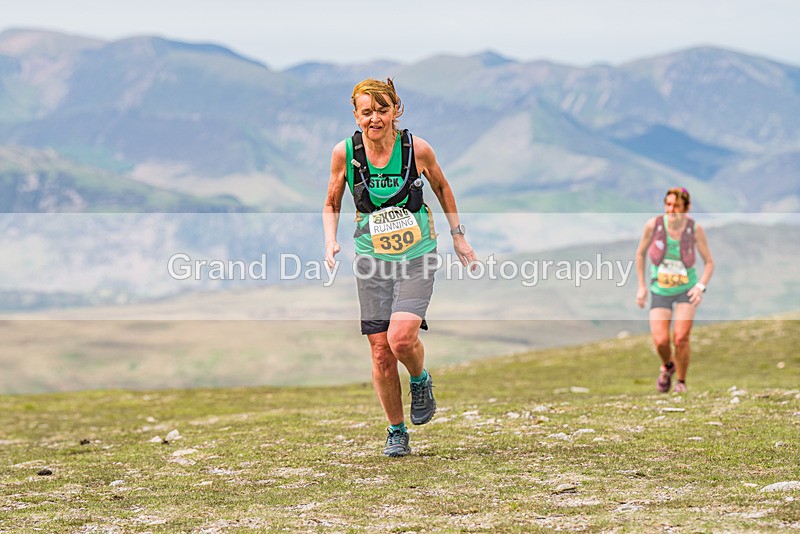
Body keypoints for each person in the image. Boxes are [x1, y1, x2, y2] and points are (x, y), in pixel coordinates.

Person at [323, 78, 477, 457]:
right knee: (379, 351)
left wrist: (458, 236)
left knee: (401, 339)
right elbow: (331, 201)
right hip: (371, 257)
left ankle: (420, 379)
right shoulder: (345, 153)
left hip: (416, 253)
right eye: (367, 111)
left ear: (396, 110)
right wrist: (330, 240)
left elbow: (442, 188)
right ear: (356, 114)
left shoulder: (416, 149)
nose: (375, 119)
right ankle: (396, 431)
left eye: (382, 110)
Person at [636, 187, 714, 393]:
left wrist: (701, 286)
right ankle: (668, 366)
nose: (671, 210)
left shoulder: (694, 229)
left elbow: (709, 262)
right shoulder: (653, 226)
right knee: (661, 341)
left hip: (686, 289)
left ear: (686, 208)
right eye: (668, 205)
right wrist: (642, 287)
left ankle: (681, 382)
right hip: (660, 289)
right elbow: (640, 254)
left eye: (677, 206)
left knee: (680, 338)